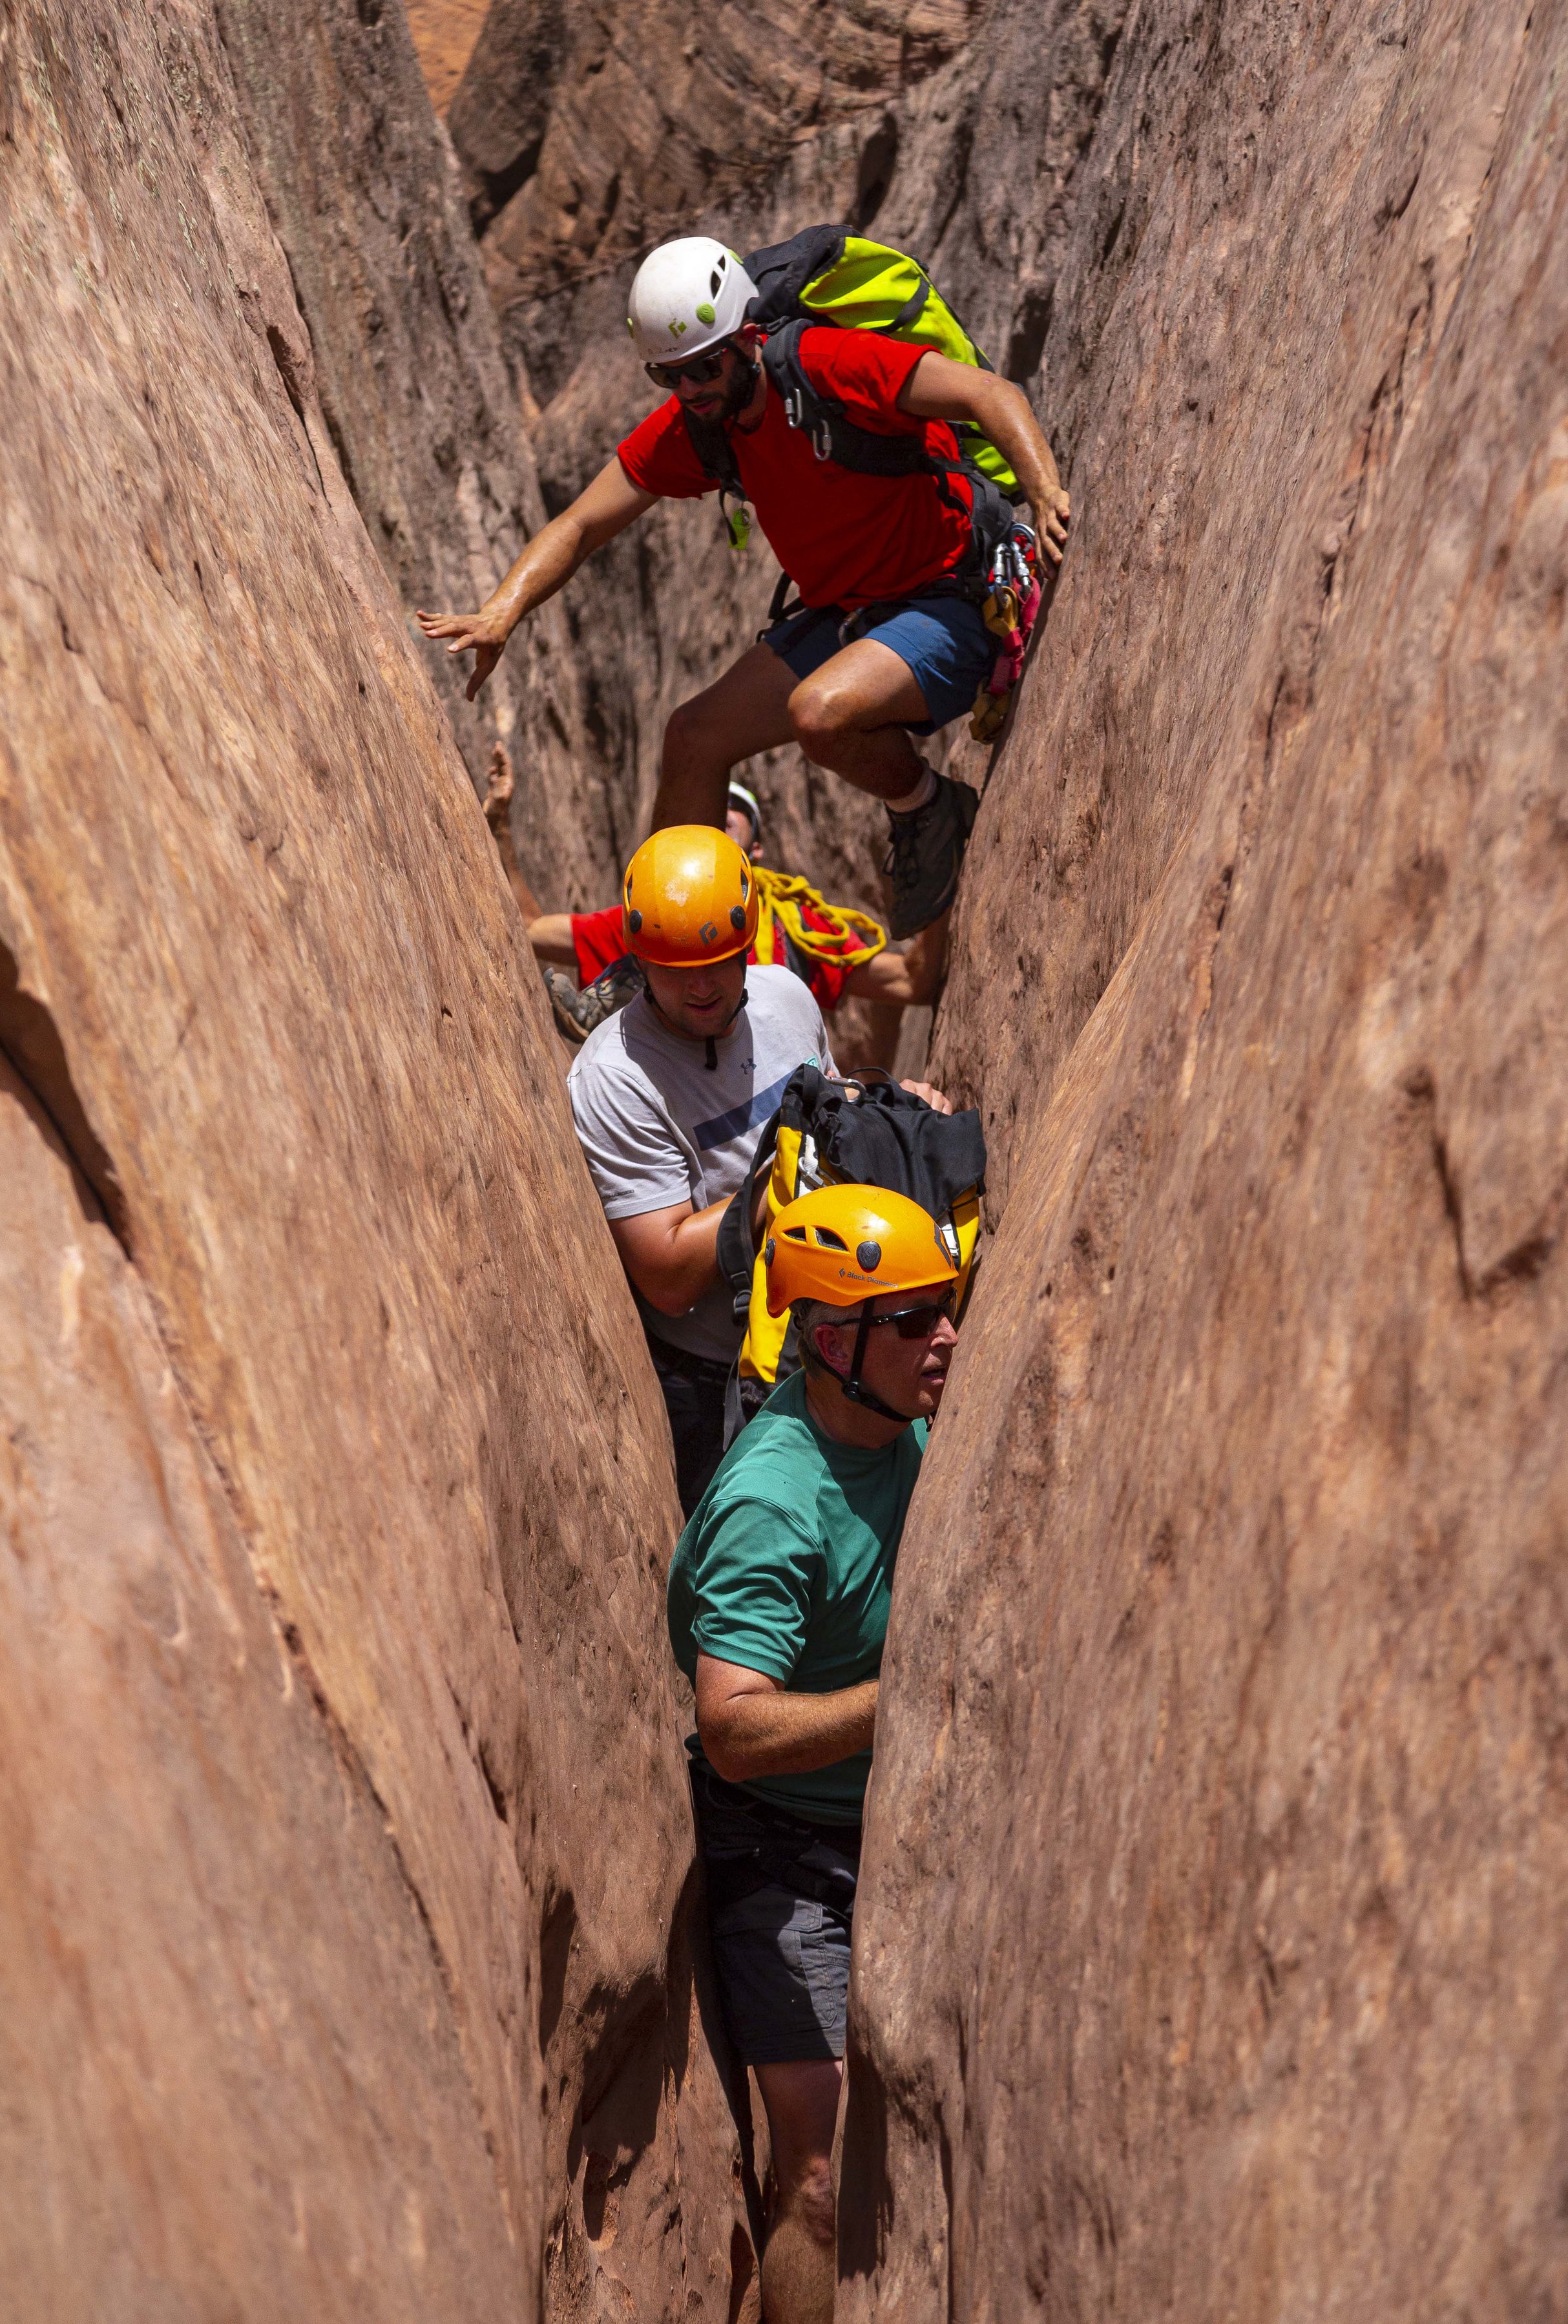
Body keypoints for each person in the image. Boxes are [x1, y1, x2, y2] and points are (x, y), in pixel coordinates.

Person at [419, 235, 1071, 939]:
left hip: (954, 591)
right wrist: (500, 612)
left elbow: (984, 392)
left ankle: (925, 808)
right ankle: (665, 950)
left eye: (703, 368)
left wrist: (1042, 493)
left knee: (819, 713)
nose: (690, 390)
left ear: (747, 339)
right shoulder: (702, 425)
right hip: (853, 612)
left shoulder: (827, 366)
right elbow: (579, 525)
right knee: (693, 737)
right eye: (668, 377)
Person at [667, 1182, 962, 2324]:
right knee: (822, 2170)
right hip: (786, 1846)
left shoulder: (908, 1424)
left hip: (887, 1815)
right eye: (911, 1319)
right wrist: (901, 1702)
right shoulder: (776, 1501)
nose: (944, 1336)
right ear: (833, 1341)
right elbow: (733, 1729)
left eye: (945, 1305)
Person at [565, 825, 948, 1514]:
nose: (703, 986)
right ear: (638, 963)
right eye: (675, 968)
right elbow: (667, 1275)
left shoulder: (784, 997)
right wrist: (779, 1181)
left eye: (718, 960)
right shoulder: (616, 1078)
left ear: (747, 945)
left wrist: (893, 1116)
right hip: (714, 1376)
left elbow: (833, 1119)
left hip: (832, 1339)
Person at [481, 746, 950, 1058]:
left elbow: (911, 982)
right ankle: (622, 1000)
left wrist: (942, 867)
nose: (715, 824)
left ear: (757, 849)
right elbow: (530, 929)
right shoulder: (661, 919)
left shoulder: (794, 922)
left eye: (729, 818)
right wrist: (499, 827)